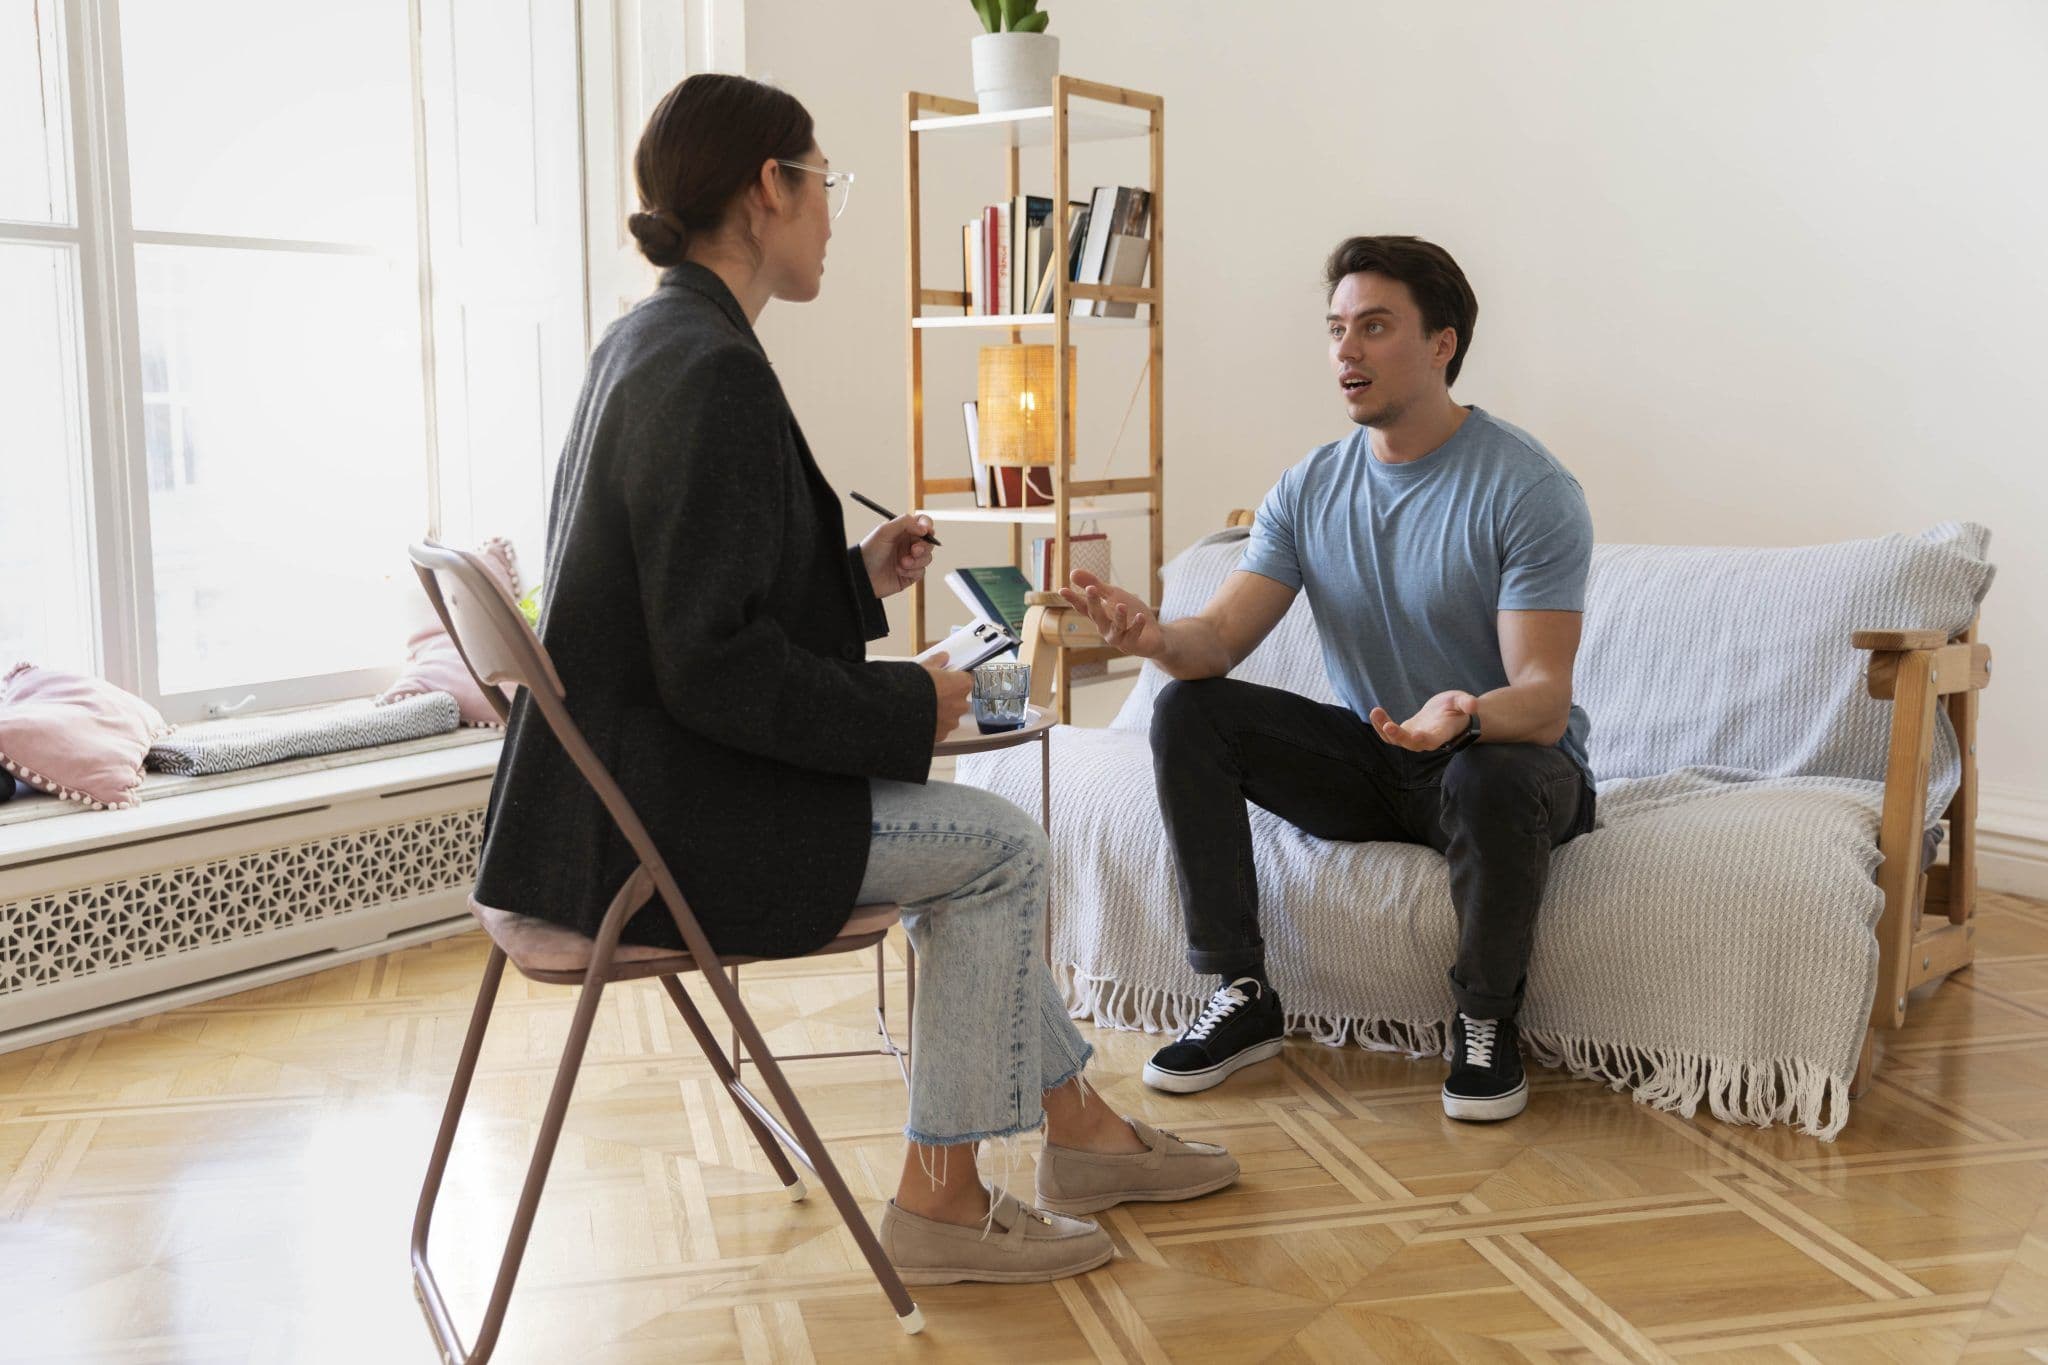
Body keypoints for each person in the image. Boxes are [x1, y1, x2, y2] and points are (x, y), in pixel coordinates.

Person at [472, 73, 1236, 1286]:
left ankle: (1080, 1137)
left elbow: (688, 603)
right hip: (664, 828)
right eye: (825, 183)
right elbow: (711, 665)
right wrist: (908, 701)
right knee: (997, 847)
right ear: (766, 190)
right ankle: (941, 1203)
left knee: (981, 845)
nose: (834, 212)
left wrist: (850, 582)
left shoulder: (650, 339)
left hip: (601, 811)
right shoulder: (707, 369)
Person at [1061, 236, 1596, 1122]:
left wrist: (1461, 715)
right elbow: (1218, 641)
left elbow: (1542, 698)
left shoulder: (1525, 487)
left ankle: (1485, 1022)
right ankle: (1241, 993)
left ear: (1442, 345)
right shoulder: (1310, 488)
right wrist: (1154, 635)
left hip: (1504, 762)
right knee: (1190, 711)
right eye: (1337, 328)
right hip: (1385, 758)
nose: (1347, 350)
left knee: (1484, 769)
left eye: (1375, 327)